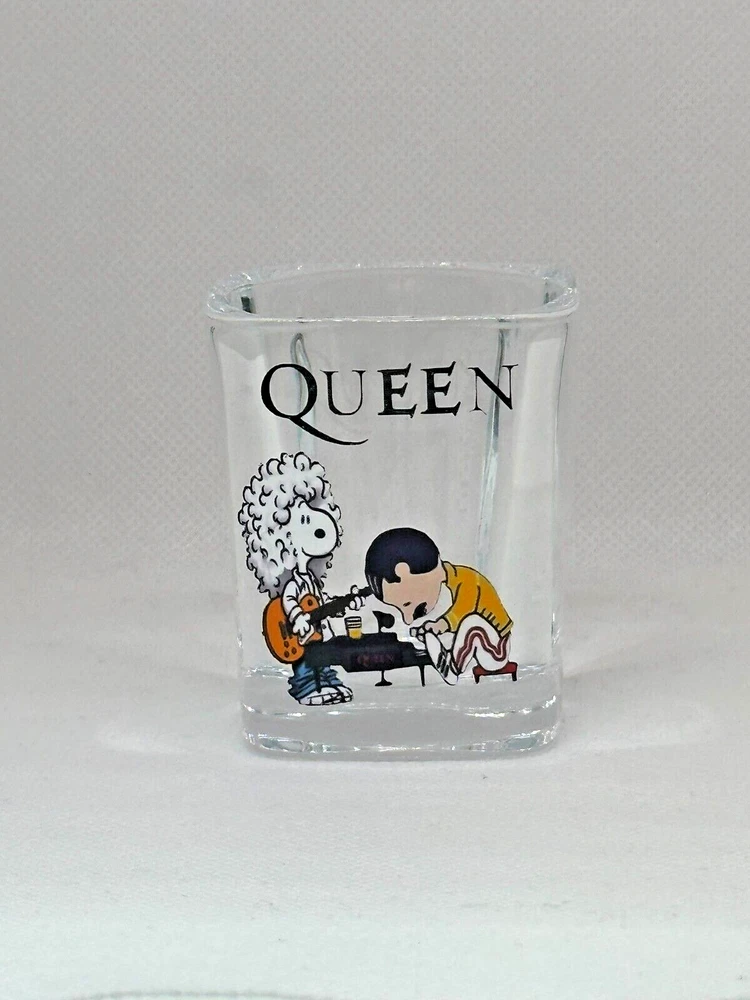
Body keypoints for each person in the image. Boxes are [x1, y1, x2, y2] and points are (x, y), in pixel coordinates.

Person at [364, 527, 517, 685]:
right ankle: (446, 658)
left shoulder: (468, 580)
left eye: (407, 604)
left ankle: (453, 668)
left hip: (497, 651)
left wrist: (440, 626)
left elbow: (463, 610)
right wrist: (428, 632)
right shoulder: (448, 585)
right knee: (467, 627)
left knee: (472, 624)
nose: (408, 619)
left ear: (404, 571)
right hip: (482, 649)